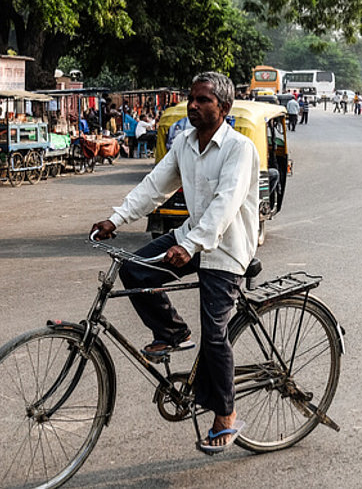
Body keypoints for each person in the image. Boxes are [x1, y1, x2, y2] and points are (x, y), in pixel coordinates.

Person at [91, 72, 257, 453]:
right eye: (191, 99)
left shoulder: (239, 149)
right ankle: (172, 332)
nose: (193, 106)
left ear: (224, 108)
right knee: (134, 268)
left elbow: (226, 204)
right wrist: (115, 219)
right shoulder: (184, 143)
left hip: (226, 249)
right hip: (192, 237)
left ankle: (226, 417)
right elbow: (154, 186)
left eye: (203, 100)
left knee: (215, 335)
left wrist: (194, 244)